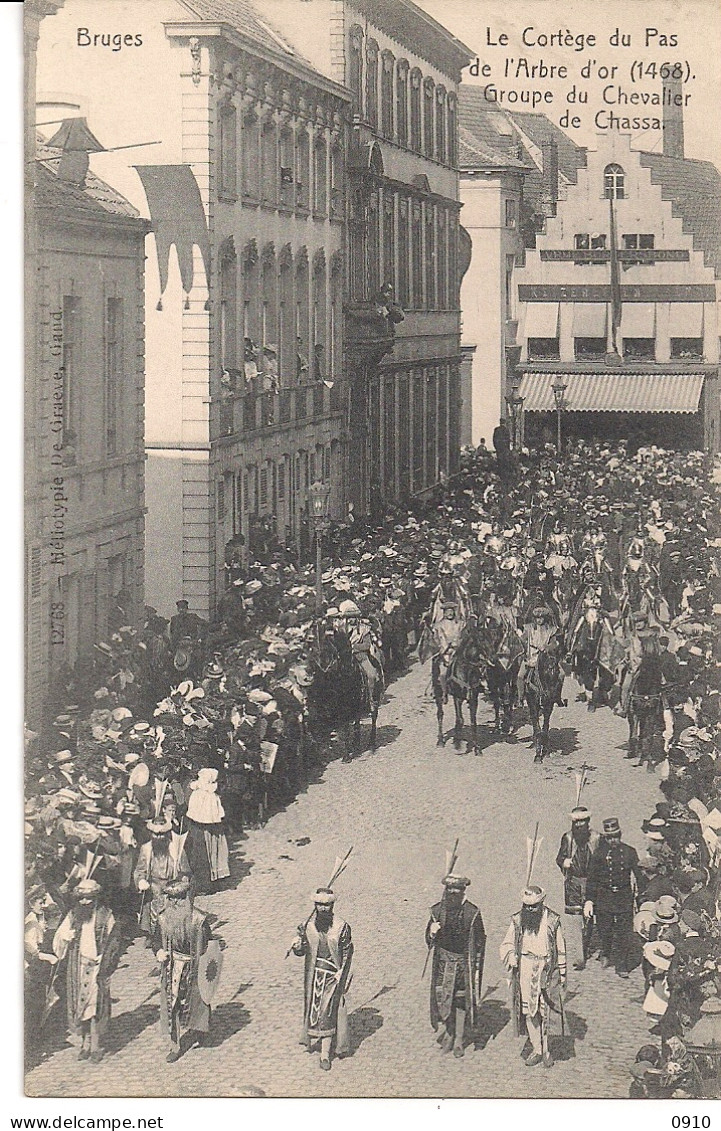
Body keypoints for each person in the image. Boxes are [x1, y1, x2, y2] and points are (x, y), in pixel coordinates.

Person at [52, 878, 122, 1063]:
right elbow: (60, 936)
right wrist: (66, 937)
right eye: (81, 899)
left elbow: (114, 941)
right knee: (79, 1006)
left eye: (89, 899)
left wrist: (106, 961)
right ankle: (84, 1043)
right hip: (78, 966)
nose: (84, 902)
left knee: (95, 1006)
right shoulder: (73, 915)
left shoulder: (106, 916)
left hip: (98, 967)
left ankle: (96, 1045)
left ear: (96, 898)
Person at [500, 885, 566, 1068]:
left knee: (546, 1011)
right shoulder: (517, 920)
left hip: (546, 968)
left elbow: (560, 948)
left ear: (542, 903)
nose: (529, 910)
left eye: (534, 906)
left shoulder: (553, 921)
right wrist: (511, 954)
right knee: (530, 1011)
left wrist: (562, 974)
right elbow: (507, 943)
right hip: (525, 967)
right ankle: (536, 1048)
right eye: (526, 906)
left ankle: (547, 1050)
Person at [290, 887, 353, 1071]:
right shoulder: (308, 925)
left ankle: (325, 1054)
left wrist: (342, 971)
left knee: (327, 1013)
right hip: (312, 975)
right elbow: (302, 951)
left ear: (332, 905)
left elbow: (348, 951)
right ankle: (310, 1039)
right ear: (315, 905)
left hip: (332, 976)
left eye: (326, 905)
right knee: (312, 1010)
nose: (323, 909)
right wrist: (297, 945)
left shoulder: (341, 927)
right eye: (319, 905)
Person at [425, 874, 486, 1058]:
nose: (452, 894)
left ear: (462, 892)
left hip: (462, 964)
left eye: (456, 891)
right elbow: (428, 940)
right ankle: (449, 1034)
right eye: (449, 891)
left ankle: (459, 1038)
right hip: (442, 963)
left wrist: (474, 966)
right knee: (444, 1000)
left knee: (459, 1001)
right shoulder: (437, 911)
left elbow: (480, 941)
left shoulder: (471, 913)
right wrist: (432, 932)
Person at [155, 877, 213, 1063]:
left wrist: (205, 962)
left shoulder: (199, 919)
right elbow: (156, 940)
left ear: (186, 897)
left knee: (199, 999)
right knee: (173, 1006)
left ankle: (200, 1028)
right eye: (170, 898)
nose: (175, 902)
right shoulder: (163, 919)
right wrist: (159, 952)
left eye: (179, 898)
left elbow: (209, 944)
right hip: (173, 967)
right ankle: (175, 1045)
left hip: (194, 965)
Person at [585, 817, 647, 978]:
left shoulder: (629, 852)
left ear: (620, 835)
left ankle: (621, 964)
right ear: (605, 838)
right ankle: (606, 951)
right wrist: (589, 900)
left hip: (623, 897)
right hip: (604, 898)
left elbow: (639, 875)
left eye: (616, 836)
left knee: (624, 933)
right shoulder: (598, 855)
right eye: (610, 837)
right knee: (605, 929)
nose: (613, 840)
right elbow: (592, 879)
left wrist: (643, 896)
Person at [133, 816, 192, 944]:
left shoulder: (176, 849)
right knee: (152, 912)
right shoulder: (146, 849)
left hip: (172, 888)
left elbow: (185, 871)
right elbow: (140, 870)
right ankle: (153, 937)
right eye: (156, 835)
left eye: (162, 835)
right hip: (153, 887)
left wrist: (182, 882)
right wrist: (141, 881)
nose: (159, 838)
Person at [555, 806, 600, 969]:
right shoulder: (567, 838)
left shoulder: (596, 838)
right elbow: (559, 857)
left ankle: (586, 945)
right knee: (575, 919)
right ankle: (580, 956)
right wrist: (563, 861)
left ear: (588, 822)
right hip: (573, 882)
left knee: (588, 917)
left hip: (592, 882)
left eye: (582, 822)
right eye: (576, 822)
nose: (579, 826)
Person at [185, 768, 230, 892]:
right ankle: (212, 882)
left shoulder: (203, 794)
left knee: (203, 856)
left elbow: (198, 816)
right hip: (211, 829)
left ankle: (206, 885)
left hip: (202, 829)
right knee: (212, 854)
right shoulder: (209, 794)